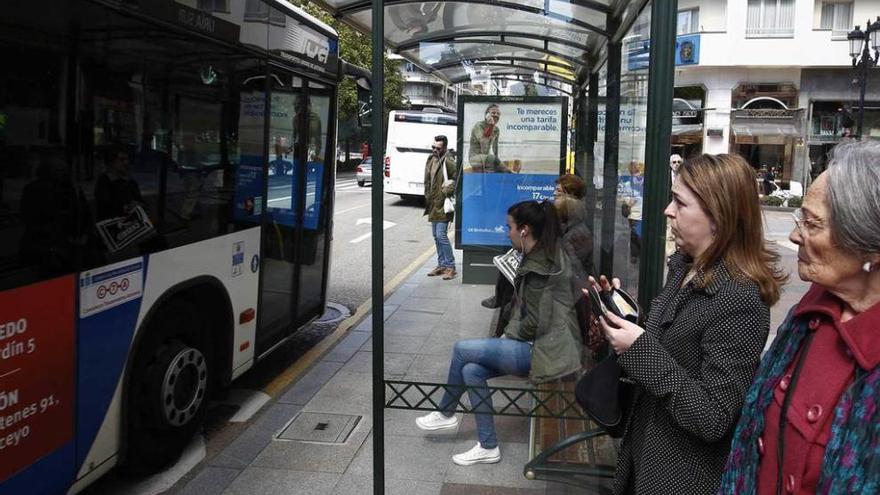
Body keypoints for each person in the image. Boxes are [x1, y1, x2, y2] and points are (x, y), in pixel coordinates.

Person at [589, 153, 785, 494]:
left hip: (680, 476)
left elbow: (713, 417)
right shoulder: (685, 265)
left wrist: (640, 348)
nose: (667, 210)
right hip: (644, 455)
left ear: (718, 216)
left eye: (680, 202)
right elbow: (673, 345)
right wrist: (627, 319)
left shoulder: (739, 298)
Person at [719, 141, 880, 495]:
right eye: (799, 220)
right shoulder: (811, 313)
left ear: (871, 246)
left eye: (812, 224)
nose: (795, 236)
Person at [416, 200, 582, 465]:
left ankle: (445, 413)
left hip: (543, 350)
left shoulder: (540, 266)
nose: (508, 233)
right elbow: (526, 312)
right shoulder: (539, 254)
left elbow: (534, 322)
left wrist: (507, 336)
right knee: (471, 370)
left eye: (511, 227)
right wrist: (510, 332)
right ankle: (488, 445)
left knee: (461, 349)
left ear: (525, 230)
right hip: (542, 343)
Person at [482, 174, 587, 310]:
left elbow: (568, 260)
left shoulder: (573, 225)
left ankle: (506, 302)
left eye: (559, 191)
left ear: (570, 195)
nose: (555, 194)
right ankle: (503, 298)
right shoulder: (563, 215)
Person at [424, 135, 458, 280]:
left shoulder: (448, 160)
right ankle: (442, 265)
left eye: (437, 148)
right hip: (433, 203)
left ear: (444, 148)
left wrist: (446, 191)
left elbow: (458, 178)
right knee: (436, 237)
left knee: (441, 235)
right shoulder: (431, 159)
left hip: (443, 204)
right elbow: (428, 180)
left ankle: (451, 266)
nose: (434, 150)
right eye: (433, 147)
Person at [468, 104, 511, 173]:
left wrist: (497, 162)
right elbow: (483, 143)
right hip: (475, 158)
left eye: (498, 114)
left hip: (486, 158)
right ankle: (511, 173)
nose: (496, 115)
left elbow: (495, 147)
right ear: (487, 115)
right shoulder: (479, 126)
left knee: (495, 164)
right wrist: (491, 125)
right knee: (493, 159)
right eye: (493, 113)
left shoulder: (496, 130)